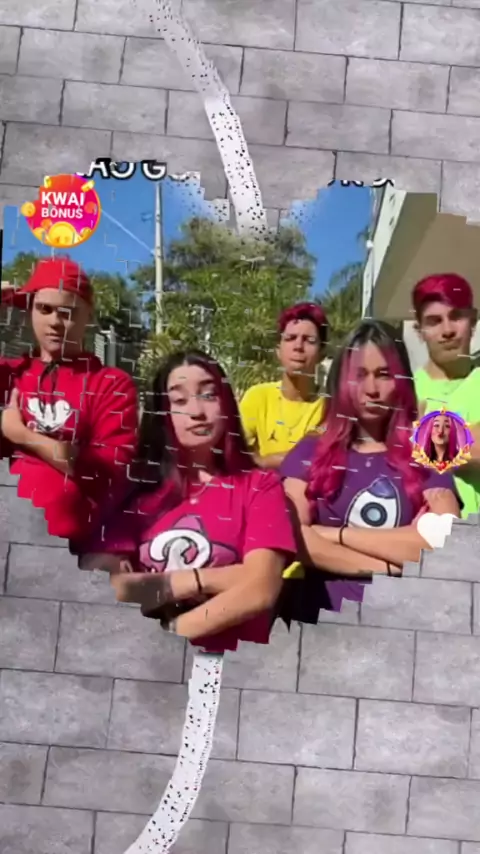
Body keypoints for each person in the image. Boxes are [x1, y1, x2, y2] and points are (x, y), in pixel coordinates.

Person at [79, 349, 296, 653]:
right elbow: (99, 586)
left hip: (225, 665)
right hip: (138, 662)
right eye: (179, 401)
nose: (197, 410)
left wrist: (168, 629)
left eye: (209, 395)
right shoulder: (133, 489)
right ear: (162, 414)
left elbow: (260, 589)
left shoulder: (260, 486)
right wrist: (214, 579)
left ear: (226, 403)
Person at [279, 320, 462, 623]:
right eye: (359, 375)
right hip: (314, 624)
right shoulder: (309, 452)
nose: (372, 389)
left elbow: (445, 548)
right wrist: (389, 566)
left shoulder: (426, 455)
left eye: (384, 374)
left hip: (400, 626)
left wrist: (330, 534)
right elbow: (289, 538)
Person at [0, 257, 139, 542]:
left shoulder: (111, 384)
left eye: (67, 312)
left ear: (88, 315)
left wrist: (22, 436)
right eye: (44, 309)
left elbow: (108, 471)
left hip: (70, 550)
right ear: (29, 310)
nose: (54, 321)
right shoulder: (10, 374)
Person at [413, 273, 480, 516]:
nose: (448, 330)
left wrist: (420, 440)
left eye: (456, 317)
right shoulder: (402, 391)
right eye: (434, 321)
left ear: (473, 320)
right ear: (419, 330)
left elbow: (406, 446)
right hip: (426, 534)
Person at [239, 302, 328, 471]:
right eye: (290, 338)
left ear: (321, 354)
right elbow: (235, 456)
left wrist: (264, 461)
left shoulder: (331, 407)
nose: (298, 346)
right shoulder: (257, 397)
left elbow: (318, 459)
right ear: (278, 350)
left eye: (309, 340)